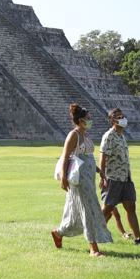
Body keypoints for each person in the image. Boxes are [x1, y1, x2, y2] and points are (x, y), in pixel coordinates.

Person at [51, 103, 113, 257]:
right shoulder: (74, 135)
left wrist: (100, 172)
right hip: (79, 181)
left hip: (88, 179)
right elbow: (65, 157)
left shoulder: (85, 135)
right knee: (88, 211)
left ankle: (59, 233)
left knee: (75, 212)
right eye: (88, 118)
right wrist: (63, 178)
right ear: (79, 120)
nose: (90, 121)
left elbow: (89, 158)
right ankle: (93, 248)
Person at [99, 107, 140, 245]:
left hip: (126, 178)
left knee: (131, 207)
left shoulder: (122, 136)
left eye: (123, 116)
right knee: (107, 209)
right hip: (113, 179)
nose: (122, 118)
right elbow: (102, 157)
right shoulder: (109, 136)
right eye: (118, 116)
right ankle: (95, 235)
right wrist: (102, 177)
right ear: (112, 120)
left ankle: (139, 238)